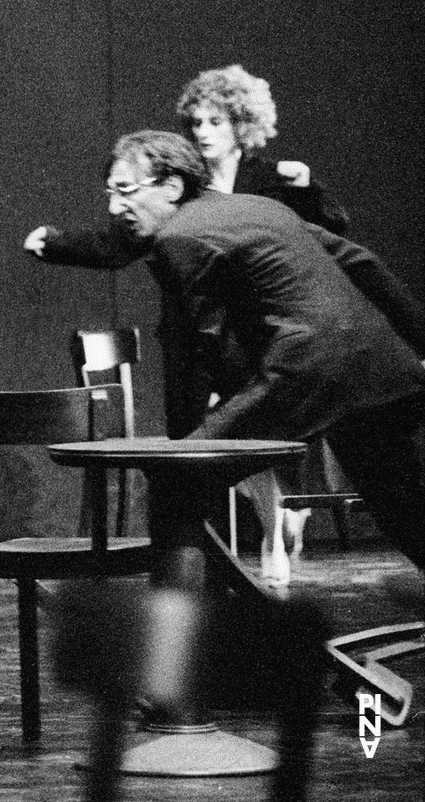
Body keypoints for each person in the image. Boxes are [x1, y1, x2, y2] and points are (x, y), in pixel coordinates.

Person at [90, 129, 425, 581]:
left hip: (305, 368)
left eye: (126, 190)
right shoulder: (260, 207)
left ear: (171, 186)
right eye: (110, 194)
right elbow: (362, 262)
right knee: (402, 505)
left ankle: (183, 621)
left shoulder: (178, 238)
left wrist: (185, 447)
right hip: (379, 364)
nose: (115, 207)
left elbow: (192, 349)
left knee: (176, 487)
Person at [23, 64, 348, 267]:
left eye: (215, 122)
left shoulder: (271, 178)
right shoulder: (184, 183)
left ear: (240, 123)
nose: (203, 132)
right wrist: (56, 243)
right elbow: (119, 245)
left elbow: (330, 230)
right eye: (196, 123)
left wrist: (306, 189)